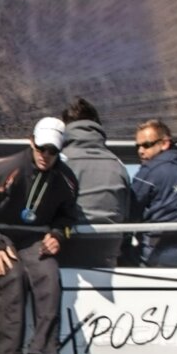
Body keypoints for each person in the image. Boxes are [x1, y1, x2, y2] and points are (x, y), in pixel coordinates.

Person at [0, 116, 80, 354]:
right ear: (32, 142)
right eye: (42, 149)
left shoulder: (66, 179)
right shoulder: (6, 169)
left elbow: (67, 218)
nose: (46, 156)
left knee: (49, 276)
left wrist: (57, 236)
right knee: (12, 277)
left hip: (33, 238)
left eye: (53, 151)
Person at [56, 98, 130, 270]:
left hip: (65, 253)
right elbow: (127, 213)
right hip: (107, 253)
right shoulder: (117, 164)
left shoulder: (59, 162)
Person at [127, 118, 177, 268]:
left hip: (158, 256)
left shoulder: (148, 172)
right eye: (137, 146)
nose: (140, 151)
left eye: (146, 145)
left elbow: (130, 213)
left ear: (164, 143)